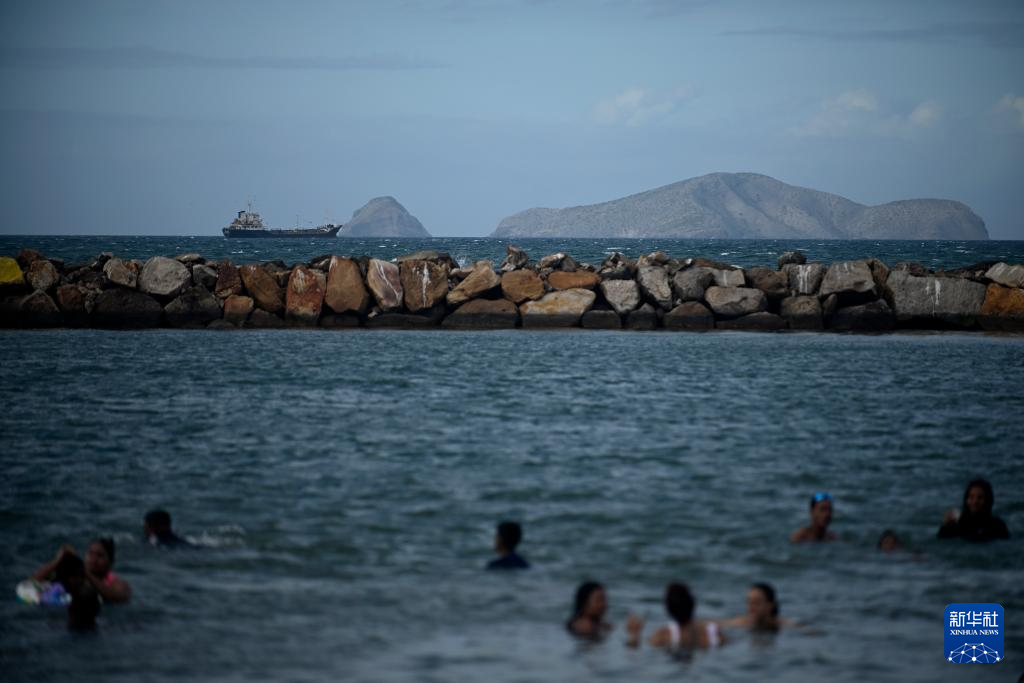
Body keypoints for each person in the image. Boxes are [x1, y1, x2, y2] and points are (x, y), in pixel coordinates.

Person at [626, 582, 725, 649]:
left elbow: (635, 648)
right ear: (692, 604)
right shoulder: (713, 634)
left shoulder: (664, 635)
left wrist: (634, 634)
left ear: (668, 609)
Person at [32, 538, 132, 604]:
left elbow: (118, 597)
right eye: (90, 554)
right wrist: (57, 560)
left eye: (100, 555)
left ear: (110, 562)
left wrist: (86, 573)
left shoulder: (116, 583)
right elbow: (31, 583)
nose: (93, 559)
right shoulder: (76, 577)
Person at [937, 478, 1010, 542]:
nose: (975, 501)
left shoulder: (997, 525)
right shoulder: (958, 524)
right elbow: (941, 541)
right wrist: (945, 525)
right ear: (966, 500)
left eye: (980, 497)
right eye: (971, 497)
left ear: (988, 500)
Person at [718, 583, 791, 632]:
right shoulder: (741, 623)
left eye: (757, 602)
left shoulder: (782, 624)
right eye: (749, 602)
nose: (751, 607)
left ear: (770, 606)